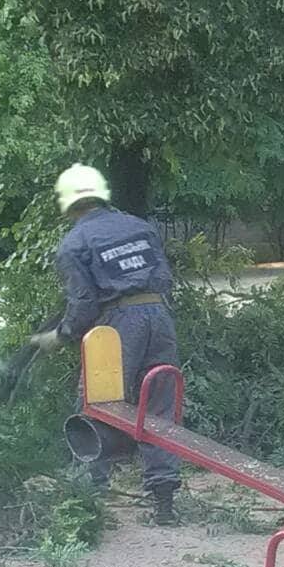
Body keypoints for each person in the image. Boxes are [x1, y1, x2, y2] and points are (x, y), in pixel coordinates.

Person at [31, 163, 181, 525]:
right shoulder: (140, 225)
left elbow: (83, 304)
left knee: (97, 404)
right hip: (159, 316)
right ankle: (164, 505)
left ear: (69, 204)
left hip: (117, 326)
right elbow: (163, 276)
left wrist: (61, 335)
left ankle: (88, 500)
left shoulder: (74, 243)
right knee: (160, 407)